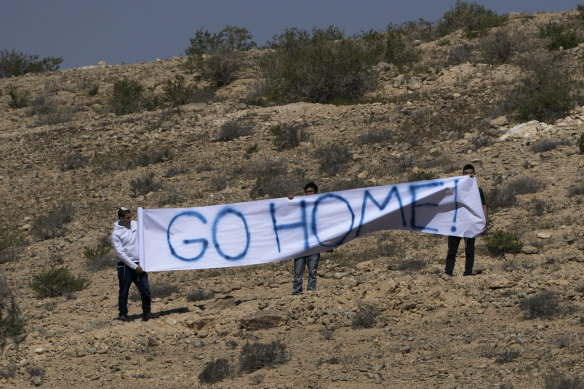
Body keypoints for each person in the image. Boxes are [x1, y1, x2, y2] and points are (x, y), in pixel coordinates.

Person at [444, 164, 488, 276]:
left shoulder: (478, 191)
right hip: (457, 223)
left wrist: (484, 224)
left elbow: (483, 207)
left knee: (470, 251)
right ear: (462, 175)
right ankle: (448, 273)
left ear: (474, 174)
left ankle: (468, 273)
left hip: (471, 224)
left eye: (471, 173)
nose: (468, 175)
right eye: (466, 173)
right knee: (452, 250)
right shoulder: (456, 189)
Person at [111, 207, 152, 321]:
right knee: (124, 291)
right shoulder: (116, 234)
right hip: (125, 266)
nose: (130, 220)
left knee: (145, 289)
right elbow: (120, 253)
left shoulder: (135, 224)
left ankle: (147, 312)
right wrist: (134, 266)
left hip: (139, 263)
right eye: (128, 218)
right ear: (121, 218)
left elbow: (147, 228)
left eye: (131, 217)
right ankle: (123, 314)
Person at [292, 182, 321, 295]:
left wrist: (329, 243)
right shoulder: (300, 204)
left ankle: (311, 291)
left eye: (311, 192)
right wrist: (291, 200)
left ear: (315, 192)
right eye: (307, 192)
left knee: (313, 270)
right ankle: (297, 291)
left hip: (314, 244)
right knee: (298, 270)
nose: (308, 194)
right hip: (300, 244)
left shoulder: (321, 206)